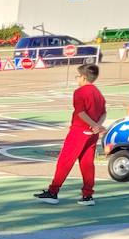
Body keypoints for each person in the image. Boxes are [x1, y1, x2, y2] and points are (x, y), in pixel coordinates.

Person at [35, 63, 105, 205]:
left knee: (65, 161)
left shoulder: (80, 92)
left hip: (79, 131)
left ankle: (53, 192)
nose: (77, 78)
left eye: (78, 76)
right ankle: (88, 195)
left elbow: (81, 113)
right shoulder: (98, 92)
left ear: (84, 77)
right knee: (87, 163)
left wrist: (92, 124)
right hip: (92, 133)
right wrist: (97, 125)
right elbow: (103, 113)